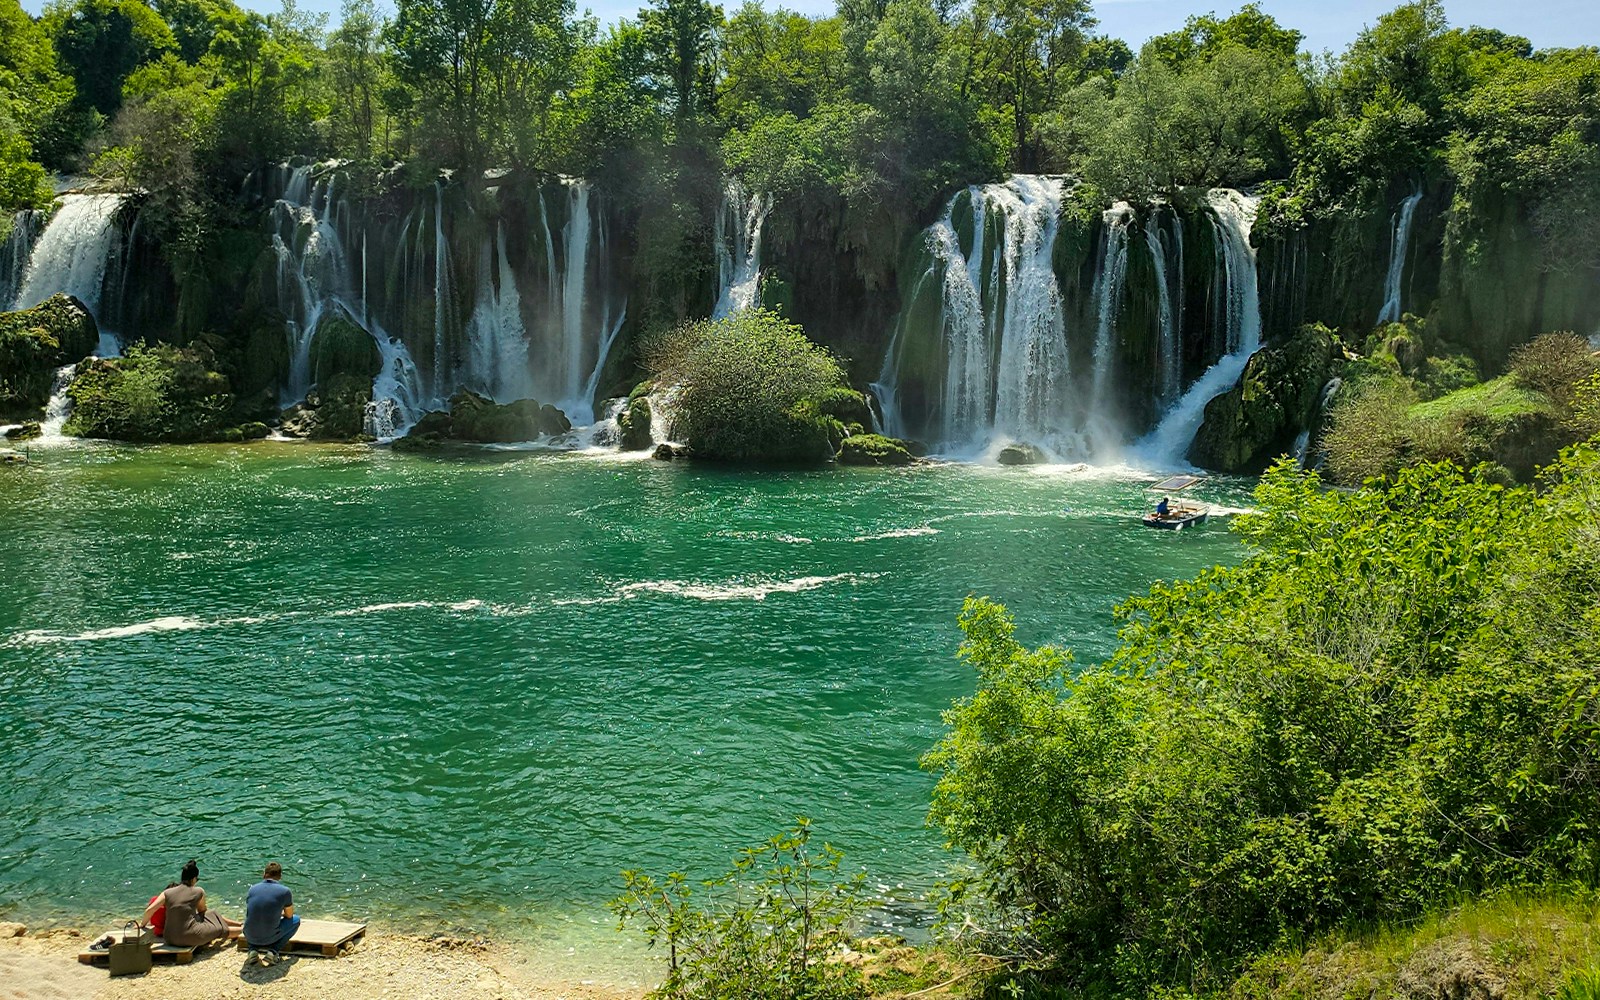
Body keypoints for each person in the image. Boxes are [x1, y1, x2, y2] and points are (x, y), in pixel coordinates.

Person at [144, 861, 240, 947]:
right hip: (190, 937)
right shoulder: (198, 891)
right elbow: (203, 912)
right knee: (218, 929)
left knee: (213, 914)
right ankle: (243, 930)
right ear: (193, 879)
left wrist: (142, 925)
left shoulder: (167, 893)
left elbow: (150, 910)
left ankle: (238, 925)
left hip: (170, 938)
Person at [243, 862, 299, 966]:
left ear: (264, 874)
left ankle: (252, 950)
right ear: (280, 876)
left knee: (253, 919)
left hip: (248, 934)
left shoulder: (252, 889)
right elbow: (289, 916)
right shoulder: (285, 891)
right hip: (269, 936)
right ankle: (273, 951)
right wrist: (278, 912)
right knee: (296, 920)